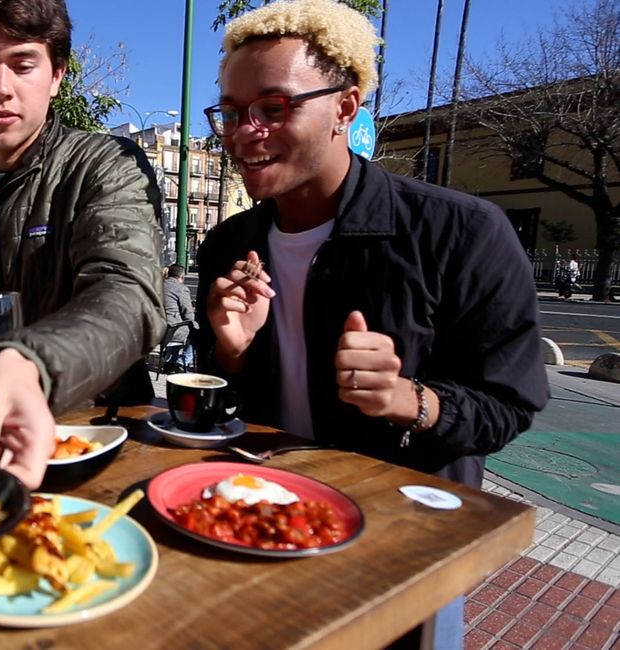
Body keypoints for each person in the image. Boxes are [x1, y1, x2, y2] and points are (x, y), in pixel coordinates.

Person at [195, 1, 548, 646]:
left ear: (346, 107)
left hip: (402, 548)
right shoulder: (227, 246)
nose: (245, 132)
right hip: (264, 519)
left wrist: (408, 399)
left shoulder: (461, 233)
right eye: (231, 110)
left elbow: (509, 402)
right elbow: (224, 403)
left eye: (274, 108)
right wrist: (230, 354)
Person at [0, 0, 165, 489]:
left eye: (23, 64)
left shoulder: (105, 165)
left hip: (103, 438)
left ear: (56, 75)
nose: (0, 88)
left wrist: (33, 361)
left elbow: (130, 296)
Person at [162, 263, 196, 370]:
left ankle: (169, 360)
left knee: (177, 322)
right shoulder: (181, 288)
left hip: (157, 329)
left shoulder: (158, 285)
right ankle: (182, 362)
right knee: (195, 330)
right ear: (182, 277)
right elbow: (188, 314)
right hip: (172, 331)